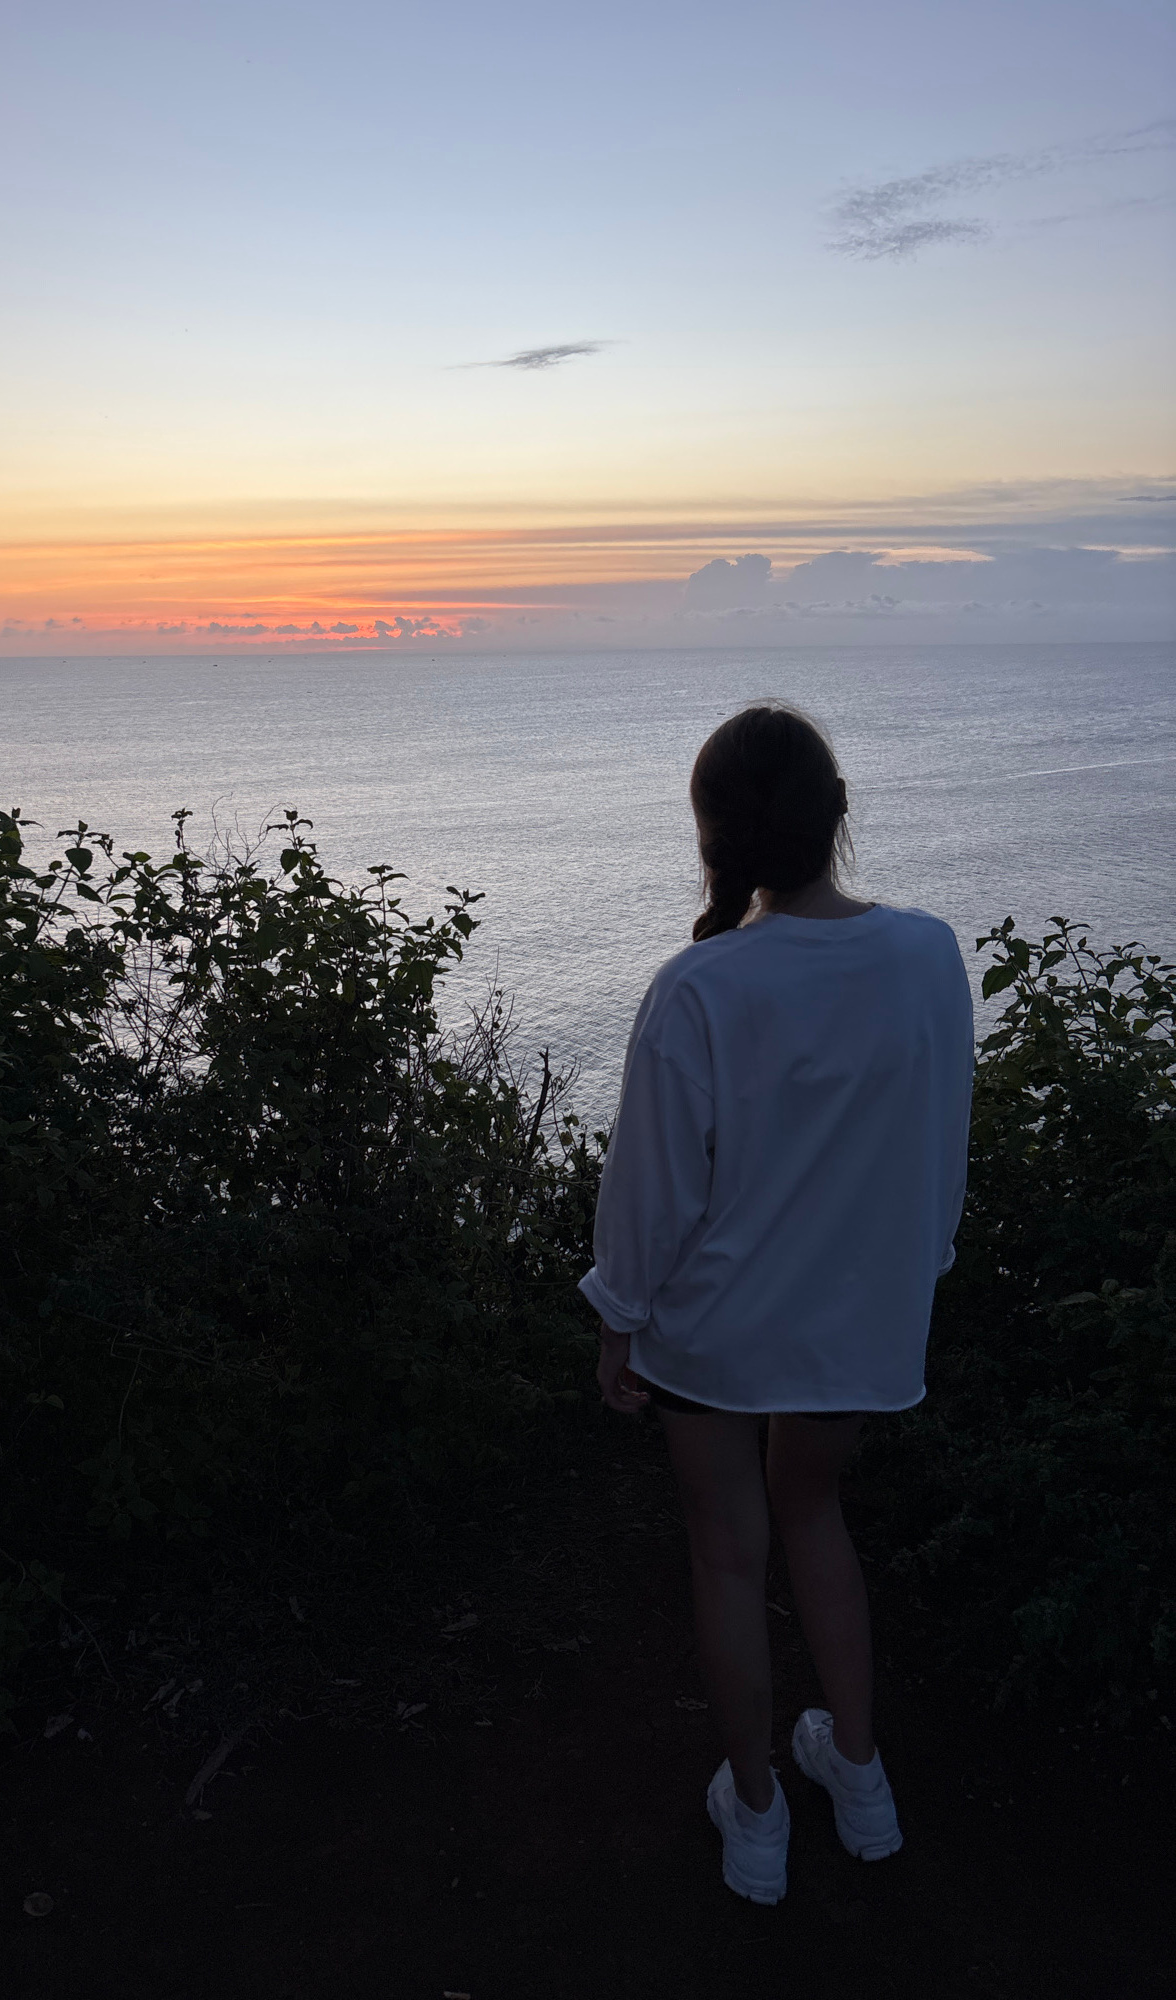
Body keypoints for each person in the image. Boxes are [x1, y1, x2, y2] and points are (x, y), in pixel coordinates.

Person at [579, 703, 973, 1906]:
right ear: (837, 812)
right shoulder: (928, 956)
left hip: (715, 1335)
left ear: (715, 837)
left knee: (727, 1549)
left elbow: (650, 1188)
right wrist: (918, 1269)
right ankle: (861, 1778)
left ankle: (756, 1816)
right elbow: (940, 1138)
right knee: (815, 1514)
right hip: (853, 1321)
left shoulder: (700, 986)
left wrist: (619, 1317)